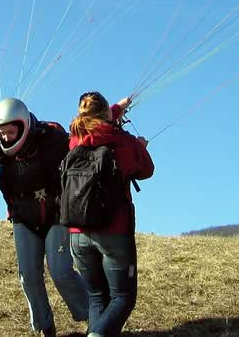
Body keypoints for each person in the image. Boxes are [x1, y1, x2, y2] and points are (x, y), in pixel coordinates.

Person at [0, 97, 88, 337]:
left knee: (61, 271)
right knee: (28, 275)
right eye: (2, 133)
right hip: (23, 216)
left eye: (11, 132)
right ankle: (45, 326)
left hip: (55, 213)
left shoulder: (51, 137)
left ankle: (94, 315)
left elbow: (77, 149)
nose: (7, 137)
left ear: (24, 125)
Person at [66, 92, 154, 337]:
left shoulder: (75, 138)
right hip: (114, 230)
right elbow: (146, 170)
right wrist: (140, 148)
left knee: (97, 296)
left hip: (77, 231)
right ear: (105, 113)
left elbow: (98, 123)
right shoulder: (123, 141)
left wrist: (118, 107)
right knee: (123, 297)